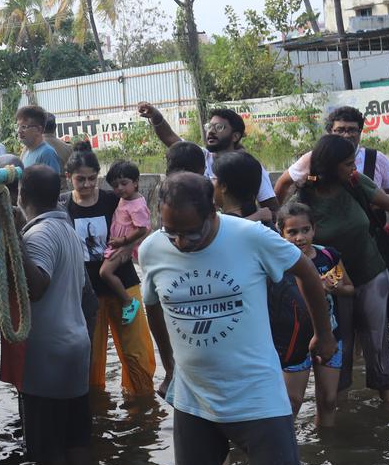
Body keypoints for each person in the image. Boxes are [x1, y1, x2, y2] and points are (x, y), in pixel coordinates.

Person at [139, 172, 334, 465]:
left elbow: (307, 272)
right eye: (170, 232)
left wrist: (324, 334)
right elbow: (152, 305)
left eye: (190, 234)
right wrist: (169, 367)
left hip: (256, 395)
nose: (180, 243)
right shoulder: (152, 250)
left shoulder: (249, 237)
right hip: (195, 399)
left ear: (212, 211)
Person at [295, 134, 389, 404]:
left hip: (370, 272)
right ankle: (338, 405)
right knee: (339, 341)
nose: (353, 168)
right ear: (330, 165)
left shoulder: (357, 183)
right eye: (347, 164)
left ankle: (388, 403)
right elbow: (289, 233)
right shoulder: (305, 195)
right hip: (331, 283)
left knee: (376, 339)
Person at [17, 165, 92, 465]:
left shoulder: (39, 235)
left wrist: (14, 241)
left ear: (21, 196)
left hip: (48, 355)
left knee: (48, 448)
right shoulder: (66, 229)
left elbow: (37, 287)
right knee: (74, 437)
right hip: (75, 346)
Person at [63, 152, 156, 398]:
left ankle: (142, 401)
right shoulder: (64, 207)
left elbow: (143, 225)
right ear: (68, 177)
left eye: (92, 179)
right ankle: (95, 404)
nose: (86, 185)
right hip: (87, 291)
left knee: (136, 350)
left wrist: (127, 248)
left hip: (122, 282)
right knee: (91, 355)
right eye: (80, 179)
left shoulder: (112, 199)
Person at [276, 202, 352, 426]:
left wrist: (334, 288)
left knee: (328, 400)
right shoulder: (278, 263)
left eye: (305, 230)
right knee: (292, 402)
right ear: (281, 233)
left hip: (330, 334)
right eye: (292, 232)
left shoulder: (328, 256)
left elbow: (349, 287)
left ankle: (327, 449)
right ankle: (288, 452)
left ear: (314, 229)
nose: (300, 237)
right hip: (294, 340)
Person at [138, 101, 279, 212]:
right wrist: (155, 116)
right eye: (209, 127)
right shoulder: (199, 155)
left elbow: (271, 208)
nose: (211, 132)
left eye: (219, 127)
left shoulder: (249, 167)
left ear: (235, 136)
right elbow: (170, 138)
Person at [274, 107, 389, 203]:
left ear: (360, 131)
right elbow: (283, 182)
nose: (346, 135)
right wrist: (276, 217)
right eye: (340, 130)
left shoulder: (375, 159)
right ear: (330, 132)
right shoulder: (313, 158)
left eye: (352, 130)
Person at [98, 160, 150, 325]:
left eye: (124, 183)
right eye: (115, 186)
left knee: (105, 272)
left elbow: (143, 228)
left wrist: (124, 241)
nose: (119, 188)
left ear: (135, 182)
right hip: (118, 244)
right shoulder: (126, 198)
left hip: (123, 246)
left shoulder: (137, 205)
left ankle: (128, 302)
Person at [212, 151, 273, 226]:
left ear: (224, 186)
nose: (211, 183)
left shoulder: (216, 226)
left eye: (214, 179)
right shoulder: (263, 223)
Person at [16, 105, 62, 172]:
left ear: (38, 130)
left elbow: (52, 182)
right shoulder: (26, 152)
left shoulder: (47, 154)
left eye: (24, 127)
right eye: (18, 126)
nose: (19, 131)